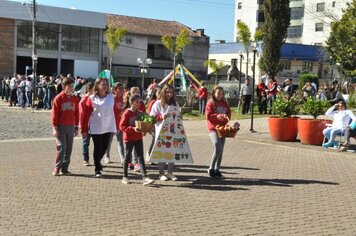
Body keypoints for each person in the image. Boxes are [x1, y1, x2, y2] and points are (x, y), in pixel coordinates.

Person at [81, 78, 120, 177]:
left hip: (108, 126)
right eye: (102, 84)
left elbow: (115, 112)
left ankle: (97, 161)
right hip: (96, 126)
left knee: (105, 147)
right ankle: (97, 169)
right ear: (97, 85)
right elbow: (86, 114)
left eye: (106, 84)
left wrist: (118, 126)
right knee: (97, 147)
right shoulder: (92, 98)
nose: (105, 86)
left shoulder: (111, 97)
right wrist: (84, 129)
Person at [119, 94, 154, 185]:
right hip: (129, 138)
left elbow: (150, 121)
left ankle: (145, 177)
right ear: (132, 102)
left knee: (140, 157)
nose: (139, 104)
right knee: (127, 157)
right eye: (137, 102)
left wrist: (147, 128)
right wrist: (132, 129)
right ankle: (125, 176)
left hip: (138, 138)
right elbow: (122, 126)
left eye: (140, 102)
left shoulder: (140, 112)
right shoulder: (127, 113)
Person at [150, 84, 179, 181]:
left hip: (173, 131)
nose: (169, 94)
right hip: (161, 131)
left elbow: (177, 116)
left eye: (171, 92)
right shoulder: (158, 104)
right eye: (167, 92)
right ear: (163, 92)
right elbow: (152, 118)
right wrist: (162, 117)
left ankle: (170, 172)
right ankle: (161, 173)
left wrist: (179, 116)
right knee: (162, 152)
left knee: (172, 151)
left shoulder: (175, 104)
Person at [51, 77, 79, 176]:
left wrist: (76, 127)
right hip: (61, 126)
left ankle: (65, 168)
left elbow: (77, 113)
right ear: (63, 86)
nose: (72, 88)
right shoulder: (58, 98)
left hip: (71, 126)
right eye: (69, 86)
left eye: (72, 86)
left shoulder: (75, 98)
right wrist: (54, 127)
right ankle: (57, 168)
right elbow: (54, 114)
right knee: (61, 147)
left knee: (69, 148)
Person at [205, 85, 231, 178]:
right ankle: (211, 168)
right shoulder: (210, 103)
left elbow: (229, 114)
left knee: (221, 150)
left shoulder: (225, 103)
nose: (220, 95)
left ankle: (217, 170)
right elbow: (208, 116)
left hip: (222, 128)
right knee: (217, 147)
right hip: (213, 128)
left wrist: (226, 118)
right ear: (214, 93)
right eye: (218, 93)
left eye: (221, 93)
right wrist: (216, 116)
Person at [79, 82, 94, 166]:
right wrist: (81, 126)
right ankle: (86, 159)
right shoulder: (84, 99)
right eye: (94, 88)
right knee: (86, 142)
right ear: (89, 89)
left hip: (95, 124)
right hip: (87, 124)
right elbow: (81, 114)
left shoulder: (96, 98)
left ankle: (97, 159)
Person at [146, 86, 162, 159]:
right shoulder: (153, 102)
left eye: (162, 92)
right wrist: (150, 125)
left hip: (161, 125)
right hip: (154, 125)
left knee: (159, 140)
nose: (161, 94)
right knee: (155, 140)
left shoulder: (163, 102)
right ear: (155, 93)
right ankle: (149, 154)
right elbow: (149, 114)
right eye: (159, 93)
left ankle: (155, 155)